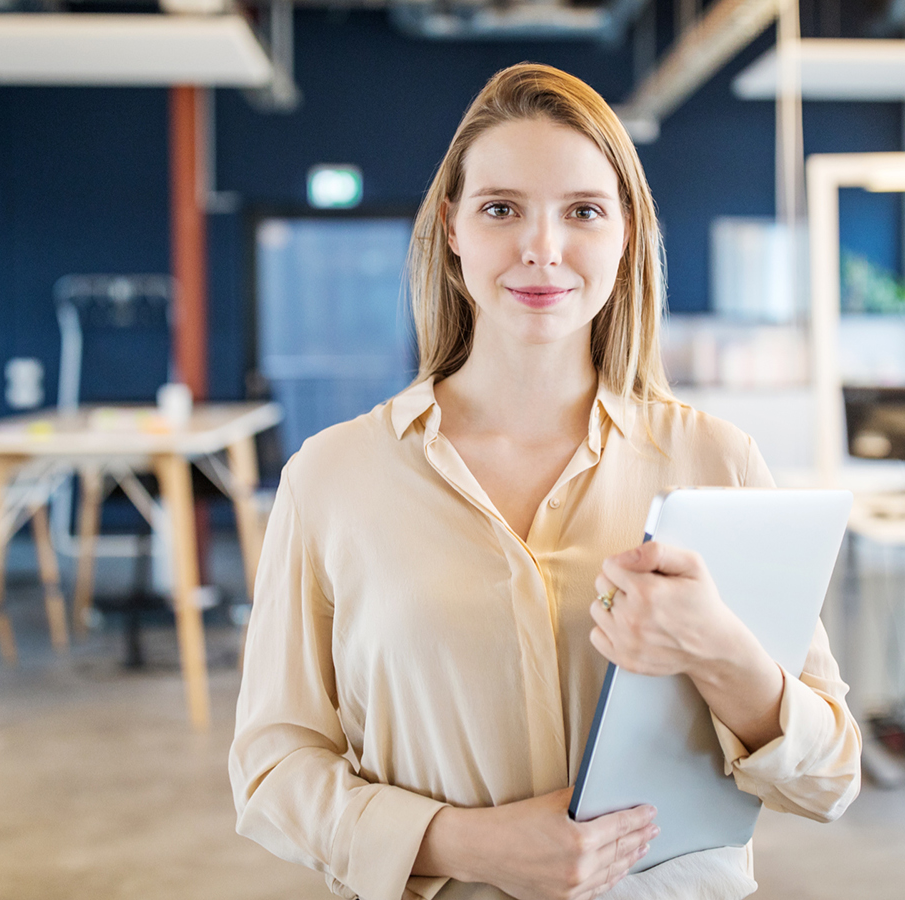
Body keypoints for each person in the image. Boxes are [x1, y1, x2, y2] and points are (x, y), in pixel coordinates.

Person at [230, 63, 861, 900]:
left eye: (583, 212)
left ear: (625, 235)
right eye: (501, 209)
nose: (542, 249)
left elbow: (829, 778)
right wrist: (463, 843)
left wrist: (718, 649)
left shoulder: (719, 464)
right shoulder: (334, 477)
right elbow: (272, 772)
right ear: (452, 227)